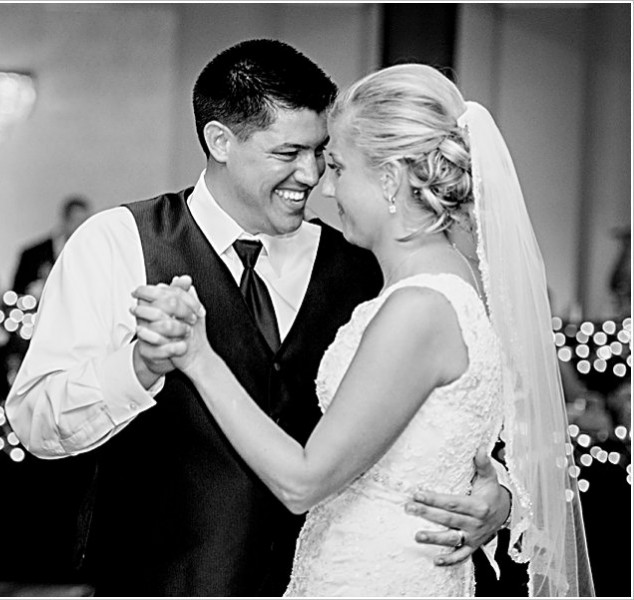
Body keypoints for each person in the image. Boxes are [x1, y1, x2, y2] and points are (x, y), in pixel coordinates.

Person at [6, 41, 511, 596]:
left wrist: (500, 496)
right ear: (220, 141)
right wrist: (139, 365)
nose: (313, 175)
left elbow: (464, 407)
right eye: (288, 152)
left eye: (324, 153)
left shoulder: (368, 262)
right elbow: (36, 423)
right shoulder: (116, 243)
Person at [133, 63, 593, 596]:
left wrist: (198, 357)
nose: (323, 188)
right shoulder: (447, 276)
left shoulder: (419, 307)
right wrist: (499, 495)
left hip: (378, 576)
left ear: (391, 180)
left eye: (337, 167)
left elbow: (303, 480)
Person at [11, 195, 92, 297]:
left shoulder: (93, 254)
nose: (81, 227)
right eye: (76, 221)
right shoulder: (33, 255)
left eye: (85, 222)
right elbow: (18, 292)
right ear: (64, 220)